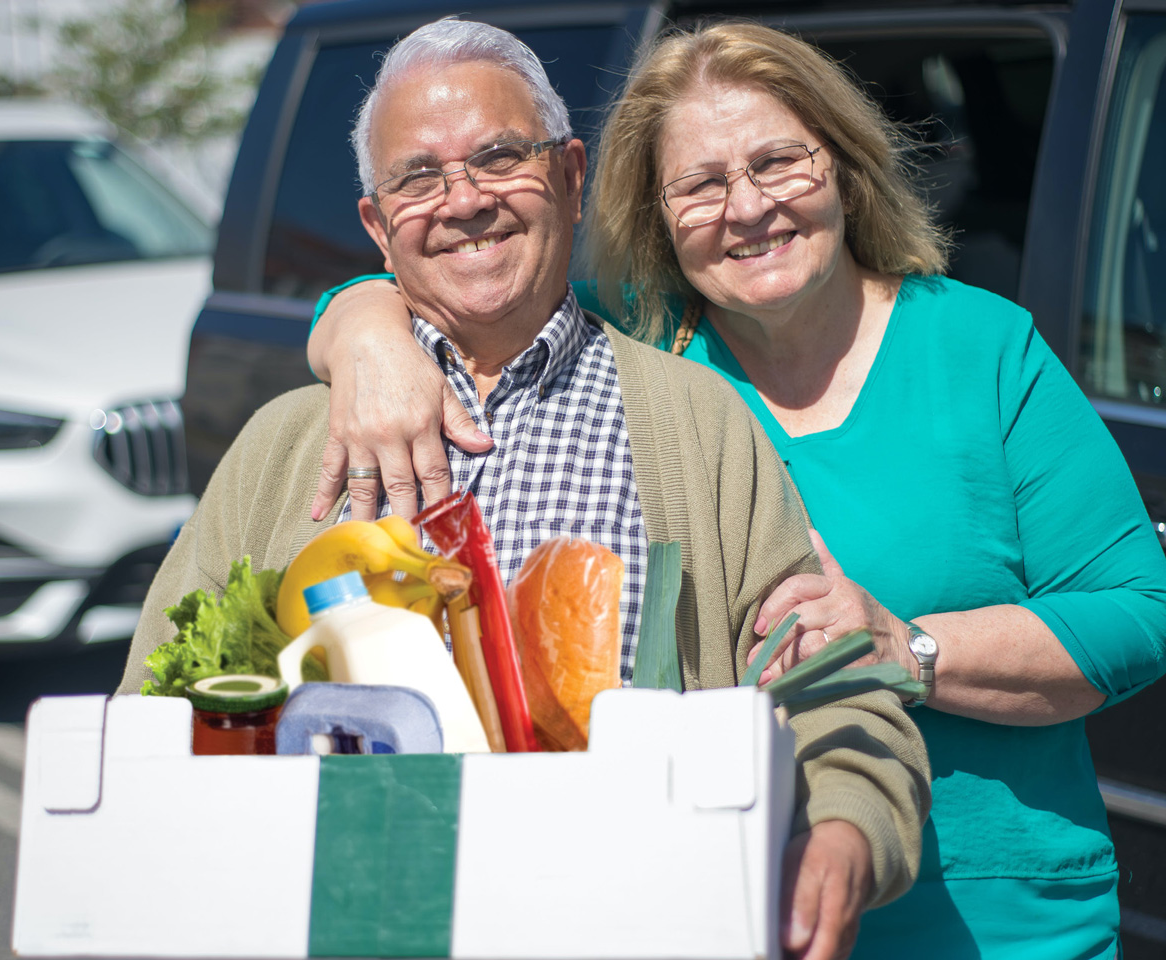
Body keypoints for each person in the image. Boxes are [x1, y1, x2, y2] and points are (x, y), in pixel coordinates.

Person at [306, 18, 1166, 960]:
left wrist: (909, 646)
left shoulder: (981, 350)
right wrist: (362, 332)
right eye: (702, 185)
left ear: (841, 165)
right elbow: (461, 270)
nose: (748, 208)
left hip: (994, 909)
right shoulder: (632, 356)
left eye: (778, 163)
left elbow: (1139, 610)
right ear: (655, 213)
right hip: (726, 907)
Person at [118, 19, 931, 960]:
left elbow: (831, 689)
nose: (463, 201)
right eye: (419, 176)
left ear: (574, 177)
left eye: (500, 157)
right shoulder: (287, 444)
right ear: (379, 227)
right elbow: (152, 707)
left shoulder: (698, 424)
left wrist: (843, 831)